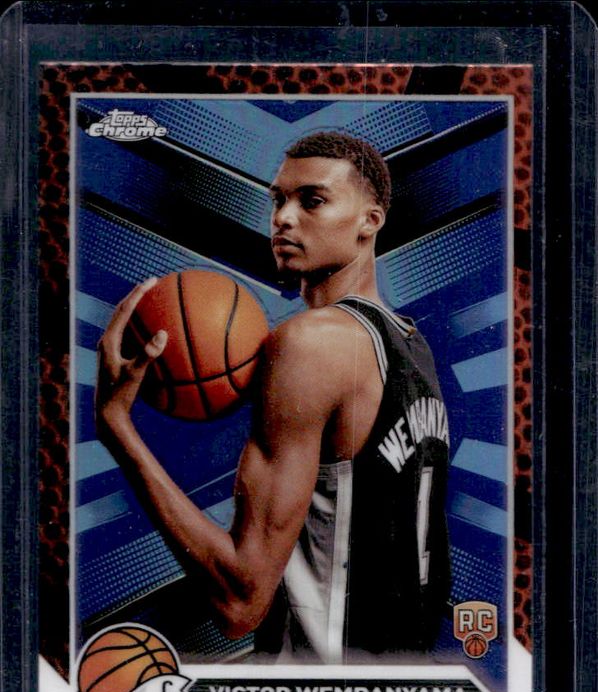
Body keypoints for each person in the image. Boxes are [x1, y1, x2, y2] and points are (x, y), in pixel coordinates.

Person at [95, 131, 451, 664]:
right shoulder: (412, 344)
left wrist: (116, 424)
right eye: (278, 200)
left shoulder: (311, 342)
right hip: (405, 687)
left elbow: (240, 602)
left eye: (312, 200)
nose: (283, 218)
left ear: (369, 221)